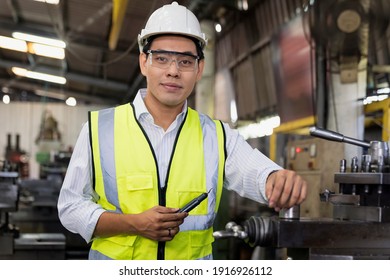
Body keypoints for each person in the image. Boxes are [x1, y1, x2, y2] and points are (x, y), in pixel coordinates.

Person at [57, 1, 307, 260]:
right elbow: (70, 207)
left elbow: (258, 175)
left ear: (199, 69)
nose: (173, 71)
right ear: (144, 62)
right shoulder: (99, 129)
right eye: (162, 59)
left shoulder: (218, 137)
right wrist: (133, 223)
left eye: (185, 61)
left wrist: (277, 180)